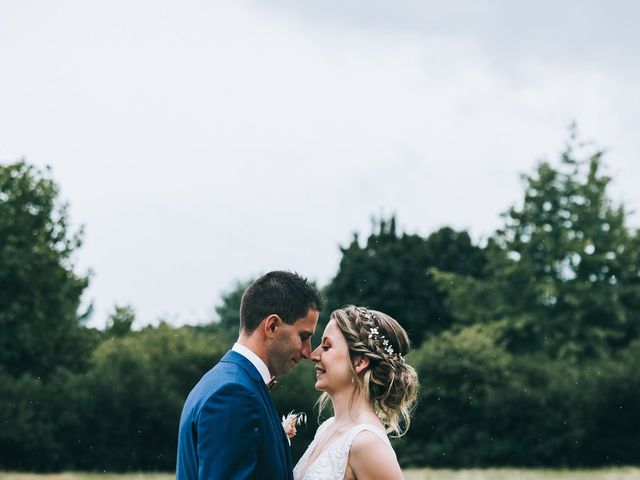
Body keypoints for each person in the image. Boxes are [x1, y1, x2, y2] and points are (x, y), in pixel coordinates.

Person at [177, 271, 323, 480]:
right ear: (272, 326)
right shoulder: (233, 394)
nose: (308, 352)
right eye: (304, 336)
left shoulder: (222, 381)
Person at [294, 306, 419, 480]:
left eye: (327, 346)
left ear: (360, 361)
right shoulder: (326, 428)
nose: (314, 355)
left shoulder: (367, 443)